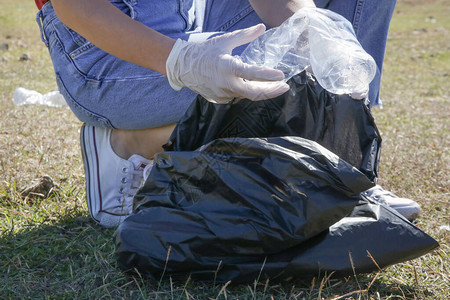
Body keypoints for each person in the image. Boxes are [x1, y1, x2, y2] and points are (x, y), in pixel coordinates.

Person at [35, 0, 420, 227]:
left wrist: (311, 29)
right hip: (101, 47)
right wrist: (178, 60)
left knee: (279, 69)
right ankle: (129, 141)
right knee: (254, 87)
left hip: (185, 29)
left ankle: (340, 161)